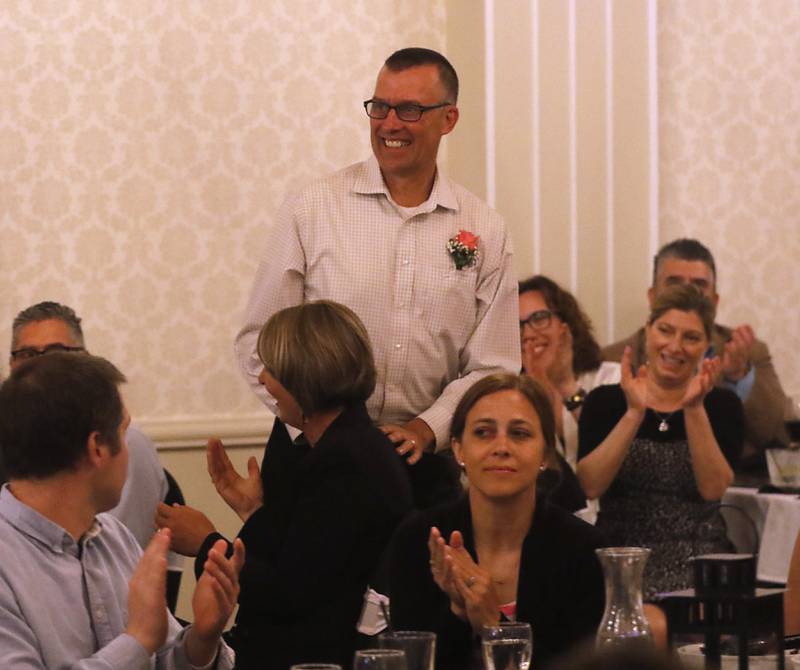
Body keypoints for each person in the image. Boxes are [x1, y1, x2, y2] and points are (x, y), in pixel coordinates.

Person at [234, 47, 519, 463]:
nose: (389, 124)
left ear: (449, 119)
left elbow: (494, 368)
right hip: (314, 457)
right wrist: (316, 425)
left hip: (425, 464)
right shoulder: (313, 208)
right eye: (380, 107)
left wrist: (427, 429)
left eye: (408, 110)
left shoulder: (487, 230)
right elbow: (258, 341)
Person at [157, 301, 414, 669]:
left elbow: (289, 593)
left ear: (303, 376)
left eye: (271, 368)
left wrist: (206, 544)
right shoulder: (342, 448)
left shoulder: (345, 461)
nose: (262, 380)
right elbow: (303, 557)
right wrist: (253, 510)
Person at [0, 352, 242, 669]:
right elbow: (142, 644)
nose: (130, 450)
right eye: (124, 431)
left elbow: (156, 660)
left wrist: (202, 638)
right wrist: (137, 640)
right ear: (97, 448)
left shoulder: (113, 537)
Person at [388, 373, 606, 670]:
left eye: (519, 433)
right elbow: (412, 664)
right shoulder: (420, 539)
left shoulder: (584, 549)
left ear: (544, 453)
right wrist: (457, 611)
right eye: (483, 432)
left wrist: (494, 625)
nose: (501, 447)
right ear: (458, 449)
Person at [577, 284, 744, 600]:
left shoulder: (722, 405)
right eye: (665, 330)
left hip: (702, 563)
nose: (675, 346)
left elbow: (713, 488)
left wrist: (694, 408)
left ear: (707, 345)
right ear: (647, 332)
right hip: (621, 561)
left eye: (691, 337)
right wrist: (634, 413)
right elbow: (590, 485)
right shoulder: (606, 401)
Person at [602, 238, 789, 469]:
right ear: (652, 296)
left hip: (736, 488)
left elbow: (776, 435)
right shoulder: (613, 358)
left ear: (715, 300)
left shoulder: (749, 351)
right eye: (674, 283)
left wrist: (738, 378)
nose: (687, 291)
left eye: (698, 284)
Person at [7, 301, 169, 550]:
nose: (40, 368)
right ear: (12, 367)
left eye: (55, 353)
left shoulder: (121, 440)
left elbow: (104, 555)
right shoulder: (12, 438)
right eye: (27, 355)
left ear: (84, 361)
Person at [519, 275, 620, 470]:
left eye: (539, 319)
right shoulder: (509, 392)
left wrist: (566, 386)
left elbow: (615, 449)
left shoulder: (610, 378)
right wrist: (537, 397)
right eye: (519, 326)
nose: (529, 334)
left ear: (566, 325)